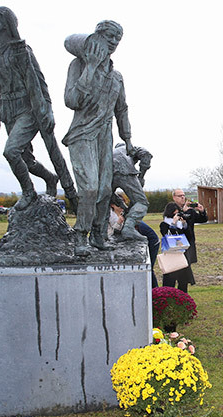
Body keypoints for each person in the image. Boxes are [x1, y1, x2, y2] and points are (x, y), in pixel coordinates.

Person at [0, 7, 77, 211]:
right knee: (25, 159)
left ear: (7, 23)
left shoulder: (22, 50)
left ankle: (29, 192)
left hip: (30, 108)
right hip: (8, 109)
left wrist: (48, 109)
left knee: (11, 152)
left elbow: (39, 82)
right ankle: (50, 178)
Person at [63, 20, 133, 256]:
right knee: (90, 188)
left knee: (104, 190)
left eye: (117, 39)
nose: (113, 42)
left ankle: (98, 234)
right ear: (97, 37)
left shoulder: (117, 77)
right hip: (82, 134)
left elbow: (121, 109)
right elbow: (71, 100)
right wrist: (91, 68)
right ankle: (80, 235)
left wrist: (127, 139)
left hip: (105, 135)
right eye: (109, 36)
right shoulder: (78, 65)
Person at [109, 193, 159, 288]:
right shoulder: (111, 217)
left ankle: (154, 290)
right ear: (112, 205)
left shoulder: (126, 217)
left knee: (148, 268)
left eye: (123, 203)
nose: (122, 206)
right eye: (119, 204)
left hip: (152, 241)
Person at [111, 143, 150, 241]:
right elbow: (146, 154)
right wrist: (141, 177)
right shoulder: (130, 148)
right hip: (125, 170)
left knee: (106, 200)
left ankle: (114, 231)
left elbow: (110, 195)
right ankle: (128, 228)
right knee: (142, 202)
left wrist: (122, 205)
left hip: (108, 174)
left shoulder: (112, 153)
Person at [160, 202, 194, 292]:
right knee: (169, 283)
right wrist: (173, 223)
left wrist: (184, 225)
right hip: (170, 256)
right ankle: (168, 299)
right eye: (174, 214)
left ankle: (183, 298)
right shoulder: (164, 224)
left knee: (183, 282)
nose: (176, 216)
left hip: (182, 255)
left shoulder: (180, 225)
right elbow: (168, 236)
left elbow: (189, 237)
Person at [172, 189, 208, 267]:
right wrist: (183, 212)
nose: (182, 197)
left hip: (189, 242)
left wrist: (202, 211)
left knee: (188, 266)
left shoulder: (190, 211)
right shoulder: (171, 209)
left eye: (183, 195)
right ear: (174, 197)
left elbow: (203, 219)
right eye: (180, 196)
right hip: (176, 243)